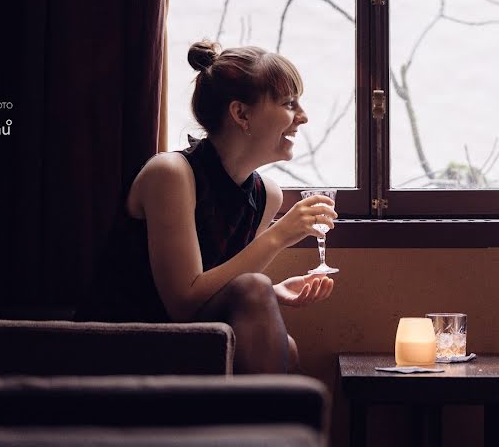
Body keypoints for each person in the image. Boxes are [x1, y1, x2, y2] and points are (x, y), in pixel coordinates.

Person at [76, 40, 337, 374]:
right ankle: (269, 426)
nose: (303, 117)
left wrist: (274, 291)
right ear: (241, 114)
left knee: (284, 342)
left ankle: (261, 426)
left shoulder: (266, 195)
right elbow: (183, 302)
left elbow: (221, 289)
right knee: (260, 304)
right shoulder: (170, 175)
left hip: (187, 342)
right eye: (289, 103)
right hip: (122, 343)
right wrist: (279, 237)